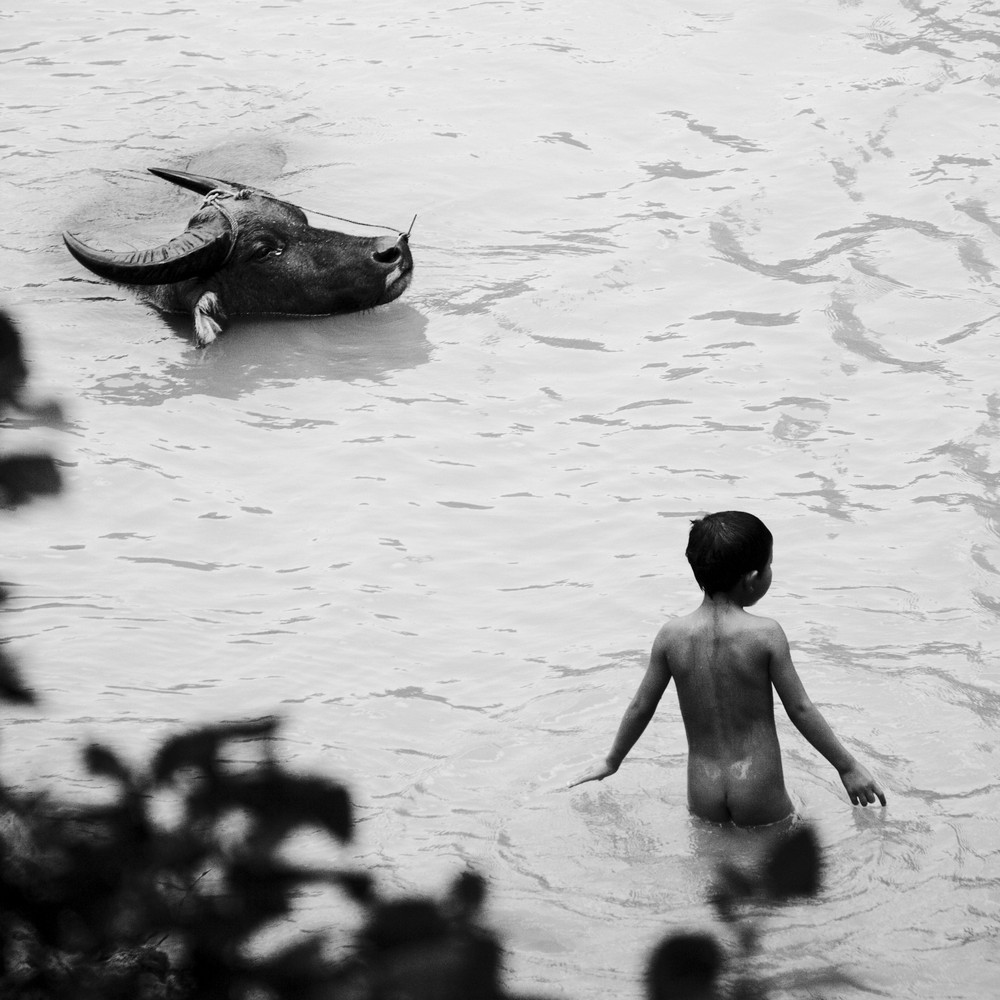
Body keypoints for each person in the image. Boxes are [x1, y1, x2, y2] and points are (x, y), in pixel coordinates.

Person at [569, 511, 886, 826]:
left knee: (713, 867)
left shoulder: (671, 636)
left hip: (702, 786)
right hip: (758, 783)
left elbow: (640, 706)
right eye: (769, 565)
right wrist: (847, 766)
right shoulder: (765, 634)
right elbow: (800, 709)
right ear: (752, 578)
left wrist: (612, 760)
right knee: (779, 858)